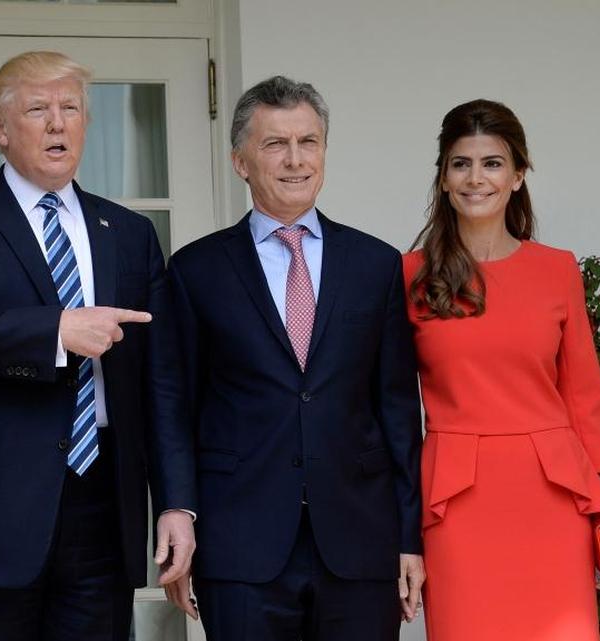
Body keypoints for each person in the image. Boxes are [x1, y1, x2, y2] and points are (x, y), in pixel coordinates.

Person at [0, 50, 196, 641]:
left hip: (102, 507)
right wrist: (54, 332)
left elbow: (160, 384)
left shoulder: (130, 234)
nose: (58, 123)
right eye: (38, 109)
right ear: (1, 129)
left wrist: (177, 504)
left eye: (71, 108)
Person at [164, 76, 424, 641]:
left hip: (359, 541)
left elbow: (399, 410)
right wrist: (178, 514)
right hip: (239, 543)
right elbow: (173, 407)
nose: (295, 160)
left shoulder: (376, 265)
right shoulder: (195, 270)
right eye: (274, 144)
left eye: (308, 142)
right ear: (241, 162)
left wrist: (410, 536)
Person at [403, 99, 600, 641]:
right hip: (457, 507)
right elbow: (391, 408)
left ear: (518, 175)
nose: (476, 178)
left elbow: (585, 403)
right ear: (443, 178)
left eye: (492, 163)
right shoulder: (410, 276)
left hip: (552, 499)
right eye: (460, 163)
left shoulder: (556, 270)